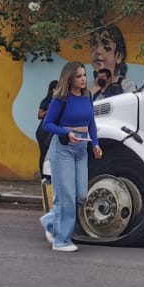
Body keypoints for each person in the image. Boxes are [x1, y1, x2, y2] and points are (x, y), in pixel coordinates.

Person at [39, 62, 102, 253]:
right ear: (69, 78)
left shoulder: (87, 96)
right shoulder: (61, 98)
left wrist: (95, 144)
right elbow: (47, 124)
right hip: (63, 148)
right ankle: (61, 240)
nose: (83, 79)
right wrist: (66, 133)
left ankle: (50, 220)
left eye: (84, 75)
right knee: (65, 195)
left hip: (81, 148)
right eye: (78, 76)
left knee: (81, 194)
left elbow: (91, 122)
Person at [90, 25, 136, 94]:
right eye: (94, 44)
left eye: (105, 45)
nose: (98, 51)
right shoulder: (86, 88)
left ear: (118, 56)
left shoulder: (126, 87)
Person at [35, 80, 58, 167]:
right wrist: (49, 111)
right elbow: (39, 115)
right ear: (53, 89)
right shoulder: (48, 100)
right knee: (44, 154)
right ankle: (43, 176)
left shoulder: (59, 100)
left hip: (52, 131)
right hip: (43, 132)